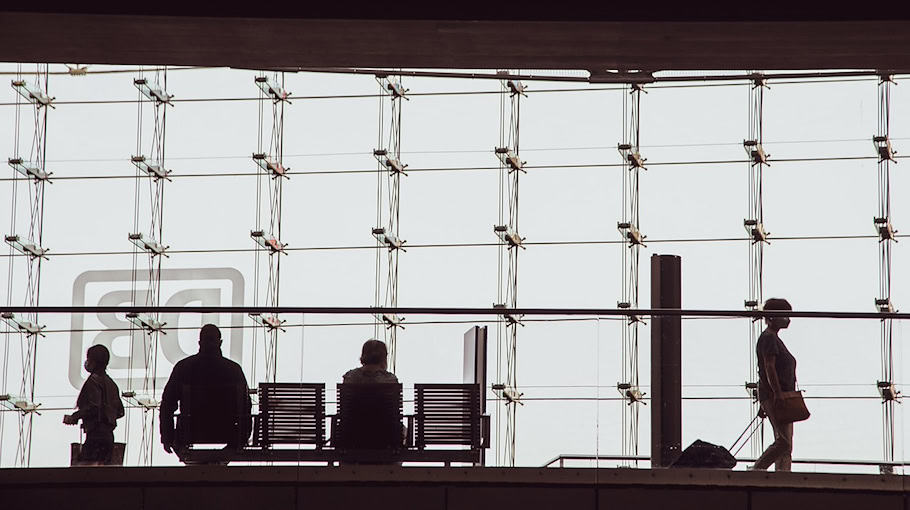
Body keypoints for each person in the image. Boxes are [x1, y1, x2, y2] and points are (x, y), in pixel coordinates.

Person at [159, 324, 252, 454]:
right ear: (220, 342)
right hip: (226, 432)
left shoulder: (183, 368)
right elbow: (246, 406)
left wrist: (167, 437)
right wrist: (243, 437)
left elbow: (167, 403)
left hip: (191, 432)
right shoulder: (233, 370)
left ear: (199, 342)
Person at [751, 297, 799, 471]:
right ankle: (757, 470)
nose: (788, 319)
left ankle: (782, 474)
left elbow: (767, 370)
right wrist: (777, 394)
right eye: (784, 316)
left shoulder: (772, 338)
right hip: (778, 396)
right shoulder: (769, 339)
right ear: (772, 317)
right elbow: (769, 367)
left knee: (785, 442)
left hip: (778, 396)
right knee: (783, 442)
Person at [63, 344, 125, 465]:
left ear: (94, 362)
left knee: (87, 473)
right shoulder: (111, 384)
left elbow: (93, 407)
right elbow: (120, 411)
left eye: (89, 359)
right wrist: (108, 415)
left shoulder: (93, 382)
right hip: (108, 437)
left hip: (95, 435)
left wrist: (75, 416)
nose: (87, 362)